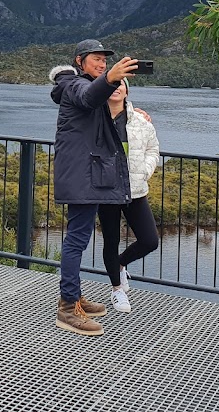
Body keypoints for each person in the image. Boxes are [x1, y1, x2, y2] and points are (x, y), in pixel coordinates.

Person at [49, 39, 138, 336]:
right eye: (96, 59)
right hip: (80, 176)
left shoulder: (82, 85)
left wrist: (133, 113)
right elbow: (88, 98)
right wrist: (111, 77)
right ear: (79, 61)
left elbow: (102, 116)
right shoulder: (72, 85)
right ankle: (67, 307)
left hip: (86, 175)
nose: (101, 63)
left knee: (80, 238)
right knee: (76, 240)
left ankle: (74, 297)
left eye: (104, 61)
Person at [97, 77, 161, 313]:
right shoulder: (95, 117)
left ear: (127, 90)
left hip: (135, 188)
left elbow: (153, 149)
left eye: (120, 84)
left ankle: (121, 263)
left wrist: (146, 169)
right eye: (112, 84)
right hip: (106, 189)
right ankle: (117, 289)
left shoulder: (140, 121)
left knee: (150, 240)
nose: (116, 89)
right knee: (110, 241)